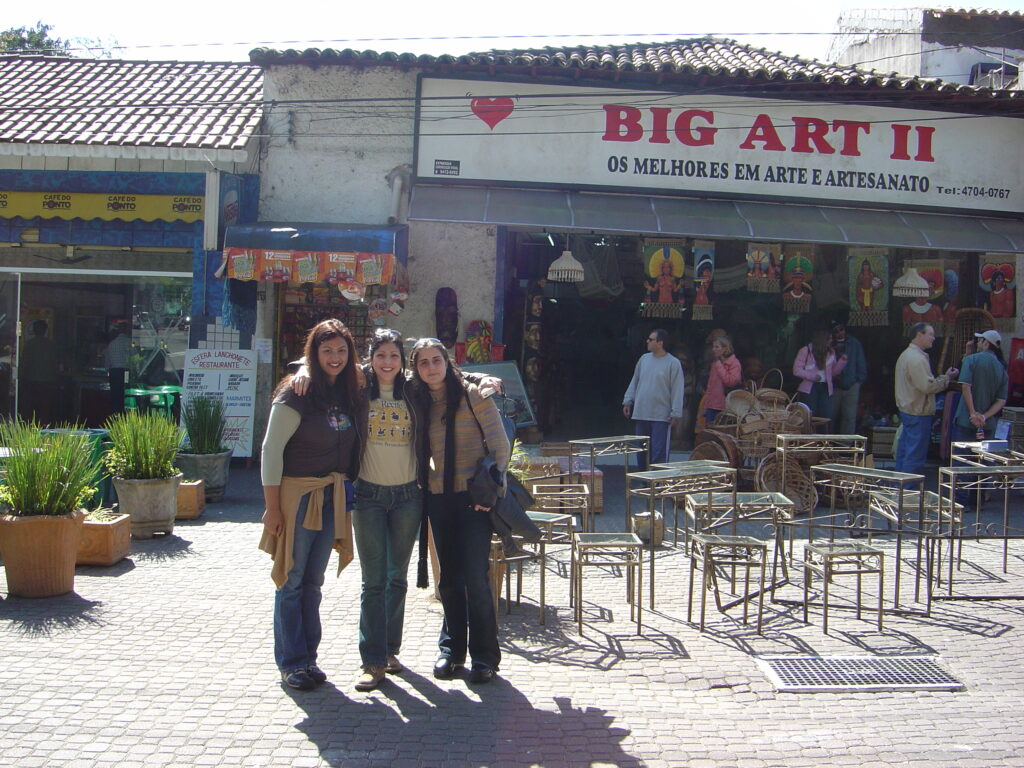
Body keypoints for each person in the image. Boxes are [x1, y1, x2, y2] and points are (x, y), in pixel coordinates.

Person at [259, 319, 361, 692]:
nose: (334, 357)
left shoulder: (349, 389)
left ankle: (309, 659)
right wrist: (272, 507)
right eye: (326, 350)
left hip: (332, 495)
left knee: (313, 582)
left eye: (341, 350)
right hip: (298, 496)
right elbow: (271, 450)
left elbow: (397, 368)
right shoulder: (296, 392)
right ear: (313, 353)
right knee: (291, 579)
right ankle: (291, 662)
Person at [410, 338, 510, 685]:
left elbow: (500, 446)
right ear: (416, 369)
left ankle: (484, 656)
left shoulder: (473, 394)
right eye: (423, 363)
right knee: (449, 578)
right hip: (438, 497)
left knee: (476, 578)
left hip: (474, 499)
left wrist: (491, 492)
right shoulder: (418, 399)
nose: (431, 368)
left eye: (436, 360)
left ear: (447, 362)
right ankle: (451, 650)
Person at [894, 322, 958, 478]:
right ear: (919, 334)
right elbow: (928, 386)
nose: (933, 338)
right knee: (914, 456)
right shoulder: (916, 358)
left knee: (905, 452)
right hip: (918, 413)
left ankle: (900, 485)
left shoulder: (907, 355)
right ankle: (908, 488)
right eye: (930, 334)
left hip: (909, 411)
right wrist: (946, 379)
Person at [622, 328, 685, 467]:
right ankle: (642, 477)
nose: (647, 341)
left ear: (660, 343)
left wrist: (675, 413)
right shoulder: (644, 359)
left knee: (659, 451)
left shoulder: (673, 363)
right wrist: (628, 401)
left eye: (651, 339)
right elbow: (635, 381)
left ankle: (657, 478)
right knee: (641, 449)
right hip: (641, 412)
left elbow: (677, 389)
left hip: (661, 415)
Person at [953, 330, 1008, 442]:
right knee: (983, 453)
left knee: (962, 452)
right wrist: (984, 416)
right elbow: (1001, 400)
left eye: (979, 341)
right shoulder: (1001, 368)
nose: (977, 344)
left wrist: (973, 413)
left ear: (985, 343)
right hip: (987, 424)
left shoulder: (971, 360)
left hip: (965, 421)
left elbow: (966, 387)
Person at [792, 328, 847, 422]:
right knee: (808, 416)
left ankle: (824, 432)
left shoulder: (831, 352)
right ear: (822, 340)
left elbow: (833, 373)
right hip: (809, 389)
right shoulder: (806, 350)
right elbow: (796, 370)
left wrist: (842, 362)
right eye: (829, 339)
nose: (831, 341)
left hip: (826, 388)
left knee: (825, 417)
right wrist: (813, 376)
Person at [830, 321, 867, 435]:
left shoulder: (854, 343)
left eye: (841, 329)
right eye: (836, 331)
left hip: (852, 384)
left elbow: (861, 361)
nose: (839, 333)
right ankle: (827, 441)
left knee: (849, 417)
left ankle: (846, 444)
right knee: (830, 416)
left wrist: (858, 380)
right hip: (833, 386)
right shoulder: (829, 343)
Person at [19, 319, 58, 424]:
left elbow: (24, 363)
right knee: (44, 410)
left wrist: (20, 379)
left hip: (31, 382)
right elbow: (56, 364)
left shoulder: (29, 345)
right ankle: (43, 428)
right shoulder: (51, 345)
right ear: (45, 330)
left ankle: (29, 429)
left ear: (34, 330)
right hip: (47, 382)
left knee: (29, 410)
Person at [702, 335, 742, 424]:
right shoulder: (715, 363)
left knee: (723, 430)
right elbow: (710, 385)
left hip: (727, 406)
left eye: (717, 347)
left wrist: (720, 367)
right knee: (709, 430)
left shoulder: (734, 363)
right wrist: (706, 404)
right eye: (713, 347)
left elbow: (731, 382)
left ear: (725, 348)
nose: (713, 349)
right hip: (712, 405)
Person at [104, 321, 131, 414]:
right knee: (126, 396)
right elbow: (136, 358)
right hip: (126, 372)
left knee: (115, 397)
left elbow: (107, 362)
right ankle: (125, 416)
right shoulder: (130, 342)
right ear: (127, 330)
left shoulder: (112, 344)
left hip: (114, 372)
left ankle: (116, 416)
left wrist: (107, 370)